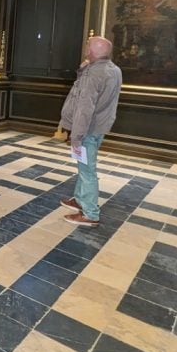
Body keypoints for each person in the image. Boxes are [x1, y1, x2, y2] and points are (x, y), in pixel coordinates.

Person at [58, 36, 122, 227]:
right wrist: (83, 70)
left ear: (91, 51)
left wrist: (76, 136)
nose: (85, 48)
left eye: (88, 45)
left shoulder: (93, 74)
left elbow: (84, 107)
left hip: (87, 129)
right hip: (100, 126)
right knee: (84, 166)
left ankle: (90, 213)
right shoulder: (113, 69)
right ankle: (80, 199)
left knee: (87, 171)